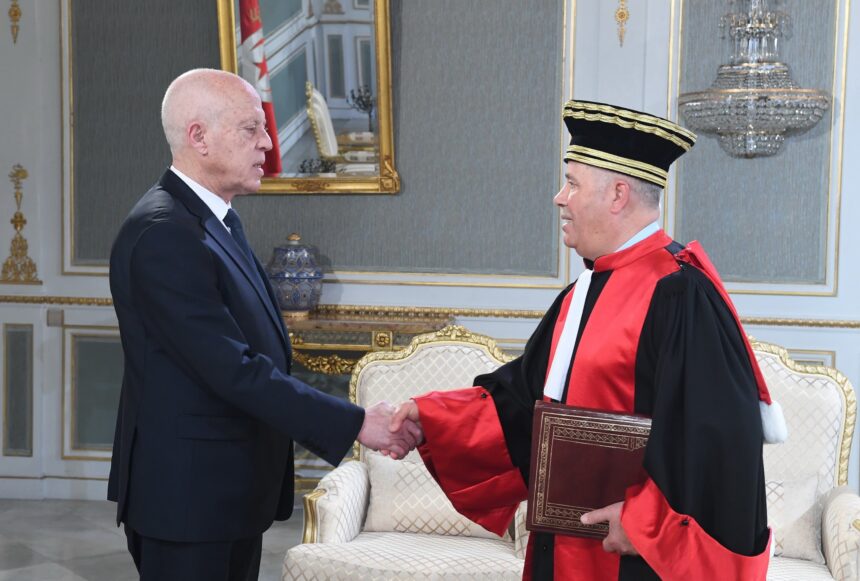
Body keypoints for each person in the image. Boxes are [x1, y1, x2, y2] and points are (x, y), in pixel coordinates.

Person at [390, 100, 786, 580]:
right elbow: (525, 397)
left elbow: (717, 442)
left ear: (618, 194)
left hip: (634, 559)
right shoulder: (581, 292)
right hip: (564, 543)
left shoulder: (680, 292)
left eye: (572, 183)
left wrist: (647, 525)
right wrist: (433, 417)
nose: (560, 197)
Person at [108, 68, 420, 581]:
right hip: (187, 502)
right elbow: (233, 370)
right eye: (251, 128)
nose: (268, 143)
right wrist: (356, 423)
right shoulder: (164, 233)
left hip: (223, 495)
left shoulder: (215, 220)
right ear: (198, 137)